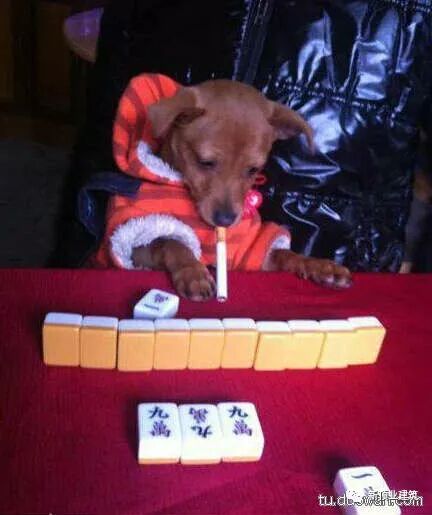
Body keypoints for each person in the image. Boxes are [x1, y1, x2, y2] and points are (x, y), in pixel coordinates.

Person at [54, 0, 432, 272]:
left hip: (336, 233)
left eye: (251, 170)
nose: (227, 207)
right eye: (208, 163)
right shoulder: (169, 117)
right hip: (131, 198)